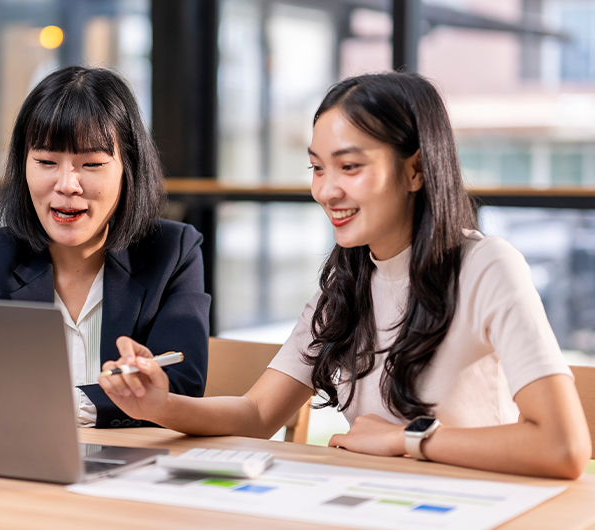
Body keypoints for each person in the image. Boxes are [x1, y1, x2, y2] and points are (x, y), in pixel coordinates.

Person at [99, 72, 591, 478]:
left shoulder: (486, 266)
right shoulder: (346, 281)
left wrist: (404, 440)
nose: (326, 191)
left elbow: (562, 447)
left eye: (349, 166)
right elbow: (256, 415)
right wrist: (158, 404)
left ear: (416, 171)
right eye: (316, 168)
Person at [0, 66, 210, 428]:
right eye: (46, 162)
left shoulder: (173, 252)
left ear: (127, 168)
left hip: (129, 474)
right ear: (23, 166)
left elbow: (181, 385)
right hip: (18, 471)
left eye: (92, 164)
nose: (67, 185)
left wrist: (69, 405)